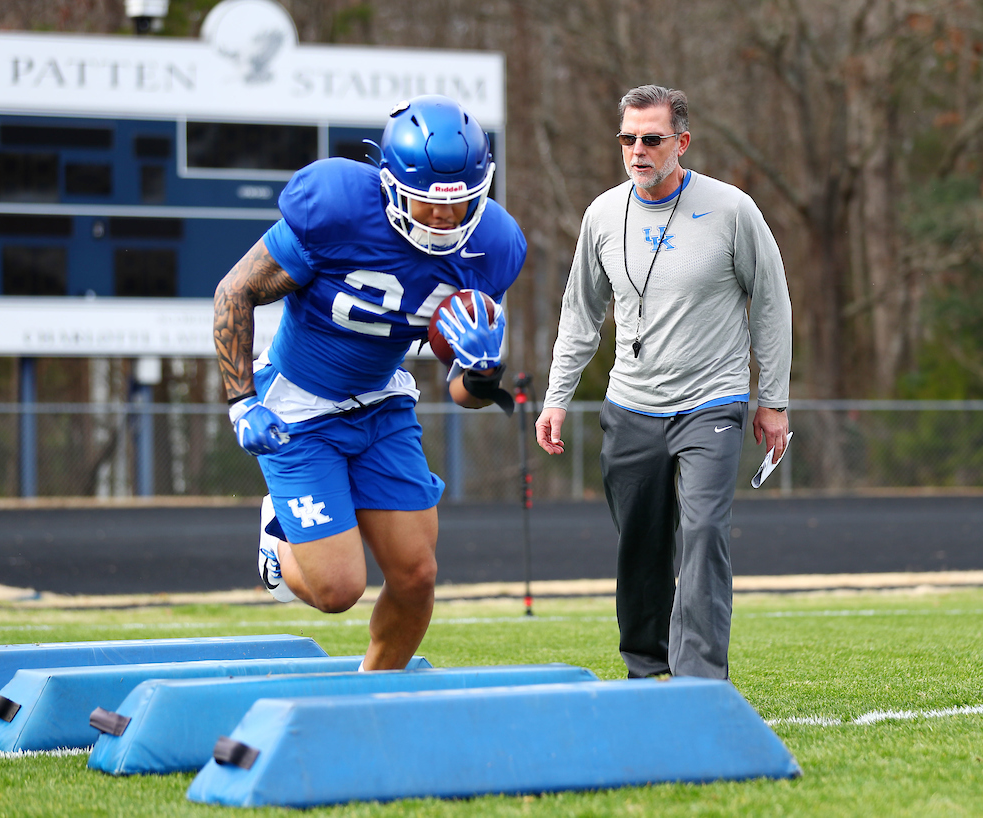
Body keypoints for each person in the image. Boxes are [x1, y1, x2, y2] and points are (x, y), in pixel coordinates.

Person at [214, 95, 526, 671]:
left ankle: (375, 690)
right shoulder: (336, 209)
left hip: (382, 405)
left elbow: (463, 394)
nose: (443, 218)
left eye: (459, 204)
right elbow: (235, 292)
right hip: (298, 410)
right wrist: (242, 403)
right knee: (337, 591)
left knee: (416, 574)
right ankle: (278, 548)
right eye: (427, 202)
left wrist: (483, 372)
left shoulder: (493, 249)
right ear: (389, 187)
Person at [535, 85, 791, 680]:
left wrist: (773, 401)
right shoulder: (601, 215)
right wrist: (555, 399)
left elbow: (771, 306)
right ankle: (646, 668)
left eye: (652, 138)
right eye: (628, 139)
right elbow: (580, 315)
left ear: (683, 142)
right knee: (642, 547)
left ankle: (700, 677)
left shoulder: (732, 210)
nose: (638, 150)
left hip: (713, 402)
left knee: (703, 531)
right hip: (631, 406)